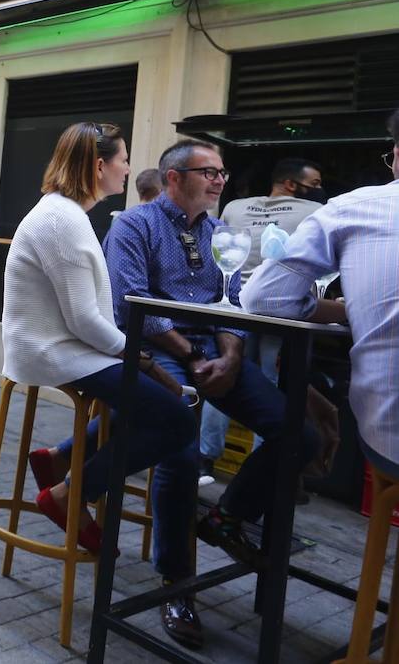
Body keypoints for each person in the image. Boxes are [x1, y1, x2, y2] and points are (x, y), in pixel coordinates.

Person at [101, 139, 320, 651]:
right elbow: (132, 304)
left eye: (223, 173)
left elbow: (235, 299)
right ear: (174, 177)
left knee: (299, 434)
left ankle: (227, 517)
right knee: (181, 455)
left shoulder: (222, 232)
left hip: (214, 351)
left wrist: (230, 355)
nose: (221, 180)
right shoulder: (133, 226)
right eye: (209, 172)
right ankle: (176, 584)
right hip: (159, 350)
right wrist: (192, 357)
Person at [10, 124, 196, 555]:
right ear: (99, 166)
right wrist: (141, 358)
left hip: (62, 345)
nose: (129, 168)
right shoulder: (62, 219)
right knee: (177, 421)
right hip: (54, 351)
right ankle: (68, 494)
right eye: (123, 159)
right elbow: (83, 321)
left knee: (146, 404)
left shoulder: (65, 212)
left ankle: (60, 458)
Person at [242, 109, 399, 482]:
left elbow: (262, 298)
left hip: (387, 431)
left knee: (257, 372)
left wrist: (348, 312)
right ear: (291, 183)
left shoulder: (350, 208)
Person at [201, 157, 325, 484]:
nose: (318, 190)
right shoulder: (314, 213)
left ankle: (205, 457)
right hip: (276, 311)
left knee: (226, 376)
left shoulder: (235, 207)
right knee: (271, 388)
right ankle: (266, 465)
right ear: (291, 185)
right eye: (314, 184)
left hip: (234, 308)